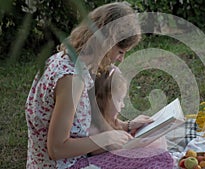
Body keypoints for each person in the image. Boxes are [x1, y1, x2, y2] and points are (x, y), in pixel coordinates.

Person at [25, 2, 172, 168]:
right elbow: (56, 149)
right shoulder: (72, 79)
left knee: (150, 148)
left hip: (64, 161)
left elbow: (80, 124)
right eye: (121, 51)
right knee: (158, 157)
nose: (120, 59)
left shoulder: (65, 59)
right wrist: (107, 139)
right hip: (67, 165)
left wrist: (126, 126)